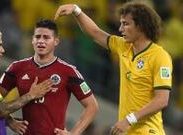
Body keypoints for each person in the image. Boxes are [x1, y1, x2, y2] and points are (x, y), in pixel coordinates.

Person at [54, 1, 172, 135]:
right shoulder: (124, 47)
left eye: (126, 24)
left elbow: (162, 100)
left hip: (149, 131)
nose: (120, 29)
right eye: (121, 23)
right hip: (128, 131)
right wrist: (76, 11)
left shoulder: (160, 56)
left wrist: (129, 119)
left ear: (141, 26)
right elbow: (95, 33)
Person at [0, 19, 99, 135]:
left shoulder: (68, 71)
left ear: (56, 41)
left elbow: (92, 106)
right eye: (37, 37)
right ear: (32, 40)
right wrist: (10, 121)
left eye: (46, 37)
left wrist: (74, 133)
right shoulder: (16, 68)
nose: (41, 41)